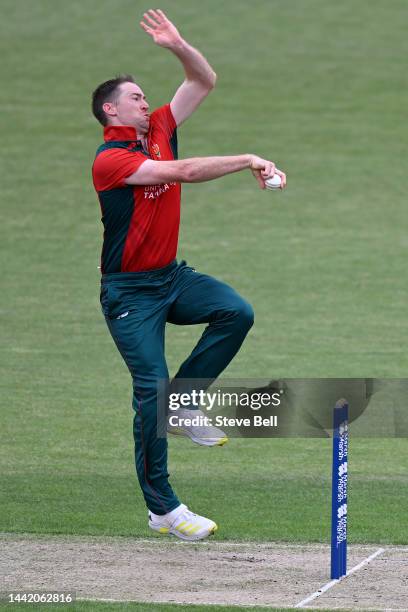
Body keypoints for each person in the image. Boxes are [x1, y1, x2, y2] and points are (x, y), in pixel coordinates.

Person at [91, 8, 286, 542]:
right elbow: (182, 172)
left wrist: (178, 44)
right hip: (130, 293)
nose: (143, 100)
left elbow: (203, 80)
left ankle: (187, 399)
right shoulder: (110, 159)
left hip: (170, 278)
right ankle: (163, 509)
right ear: (110, 109)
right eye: (133, 96)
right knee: (149, 391)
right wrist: (248, 157)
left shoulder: (158, 126)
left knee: (234, 311)